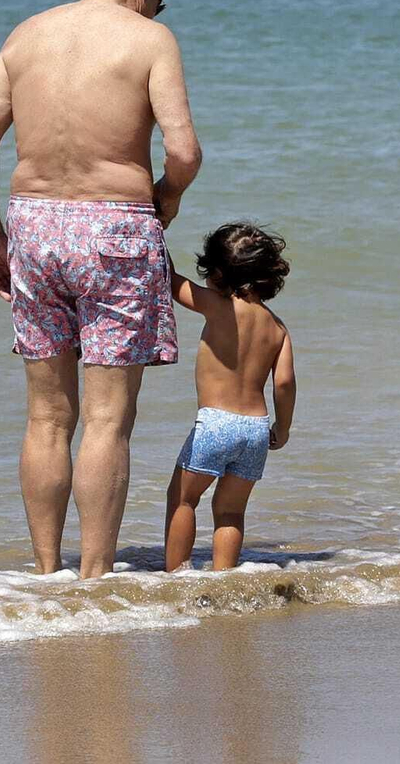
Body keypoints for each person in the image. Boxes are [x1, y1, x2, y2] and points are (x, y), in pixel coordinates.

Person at [0, 0, 201, 578]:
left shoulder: (26, 35)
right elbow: (184, 152)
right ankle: (94, 581)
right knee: (106, 419)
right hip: (116, 228)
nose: (158, 8)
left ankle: (47, 573)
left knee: (46, 416)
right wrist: (166, 199)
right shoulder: (150, 40)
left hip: (34, 227)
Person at [163, 223, 296, 571]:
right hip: (256, 429)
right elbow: (284, 383)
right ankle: (225, 578)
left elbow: (171, 282)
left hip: (216, 423)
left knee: (183, 499)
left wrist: (154, 234)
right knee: (230, 512)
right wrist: (282, 428)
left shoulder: (218, 306)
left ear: (219, 273)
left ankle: (176, 576)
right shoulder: (277, 328)